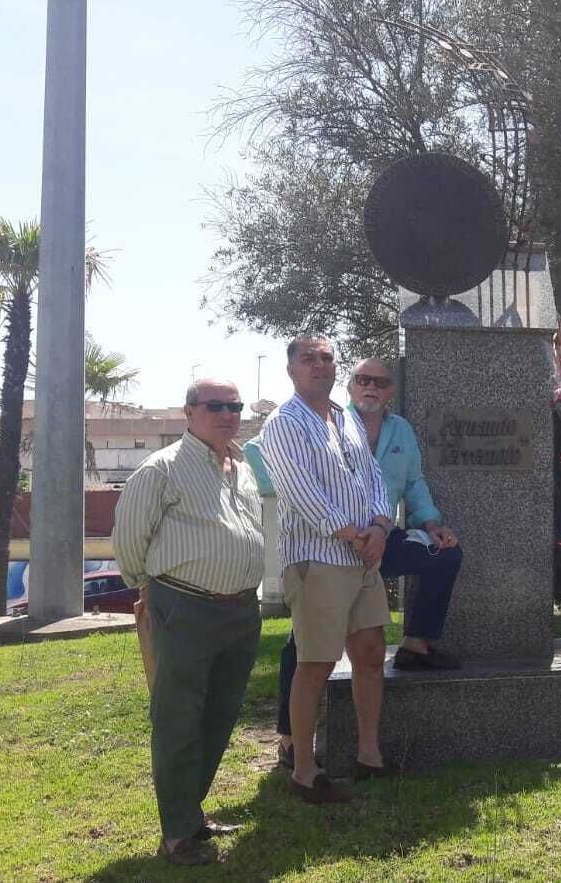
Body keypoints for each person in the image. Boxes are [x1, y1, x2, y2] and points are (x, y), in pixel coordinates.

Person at [253, 357, 466, 773]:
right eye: (363, 380)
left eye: (380, 382)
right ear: (350, 386)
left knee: (444, 555)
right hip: (332, 549)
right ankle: (290, 739)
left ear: (391, 392)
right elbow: (302, 487)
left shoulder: (401, 431)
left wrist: (430, 523)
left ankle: (416, 645)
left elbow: (413, 484)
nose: (371, 387)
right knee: (303, 646)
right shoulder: (332, 422)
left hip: (382, 539)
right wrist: (353, 534)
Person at [113, 378, 264, 866]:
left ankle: (190, 813)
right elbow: (129, 538)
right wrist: (150, 588)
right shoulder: (162, 468)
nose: (227, 414)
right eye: (215, 405)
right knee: (179, 719)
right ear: (189, 411)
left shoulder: (241, 468)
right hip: (185, 606)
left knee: (219, 715)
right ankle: (176, 835)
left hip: (241, 610)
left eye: (234, 406)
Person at [258, 335, 398, 804]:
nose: (319, 365)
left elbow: (373, 478)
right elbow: (301, 492)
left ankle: (369, 755)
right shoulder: (284, 423)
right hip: (319, 559)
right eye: (308, 359)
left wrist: (381, 525)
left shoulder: (346, 418)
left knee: (370, 652)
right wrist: (355, 534)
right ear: (291, 370)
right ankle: (304, 769)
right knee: (315, 663)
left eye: (326, 358)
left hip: (363, 556)